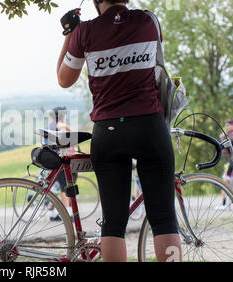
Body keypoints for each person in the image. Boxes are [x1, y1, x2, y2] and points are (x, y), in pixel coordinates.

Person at [56, 0, 181, 262]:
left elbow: (64, 79)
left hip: (108, 131)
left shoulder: (84, 32)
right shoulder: (149, 21)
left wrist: (69, 34)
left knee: (113, 224)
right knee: (164, 219)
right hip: (149, 126)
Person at [44, 107, 77, 221]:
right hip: (57, 160)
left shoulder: (50, 125)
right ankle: (68, 213)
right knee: (64, 187)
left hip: (49, 159)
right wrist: (67, 127)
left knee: (53, 188)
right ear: (62, 116)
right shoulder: (57, 125)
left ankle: (53, 214)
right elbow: (63, 130)